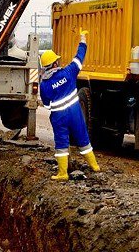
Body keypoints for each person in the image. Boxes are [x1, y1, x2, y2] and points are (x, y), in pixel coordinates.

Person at [39, 27, 100, 181]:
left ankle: (62, 173)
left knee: (61, 143)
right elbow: (79, 57)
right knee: (83, 139)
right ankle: (95, 166)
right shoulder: (68, 72)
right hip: (75, 112)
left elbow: (46, 104)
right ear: (54, 64)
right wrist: (82, 40)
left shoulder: (44, 84)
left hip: (59, 116)